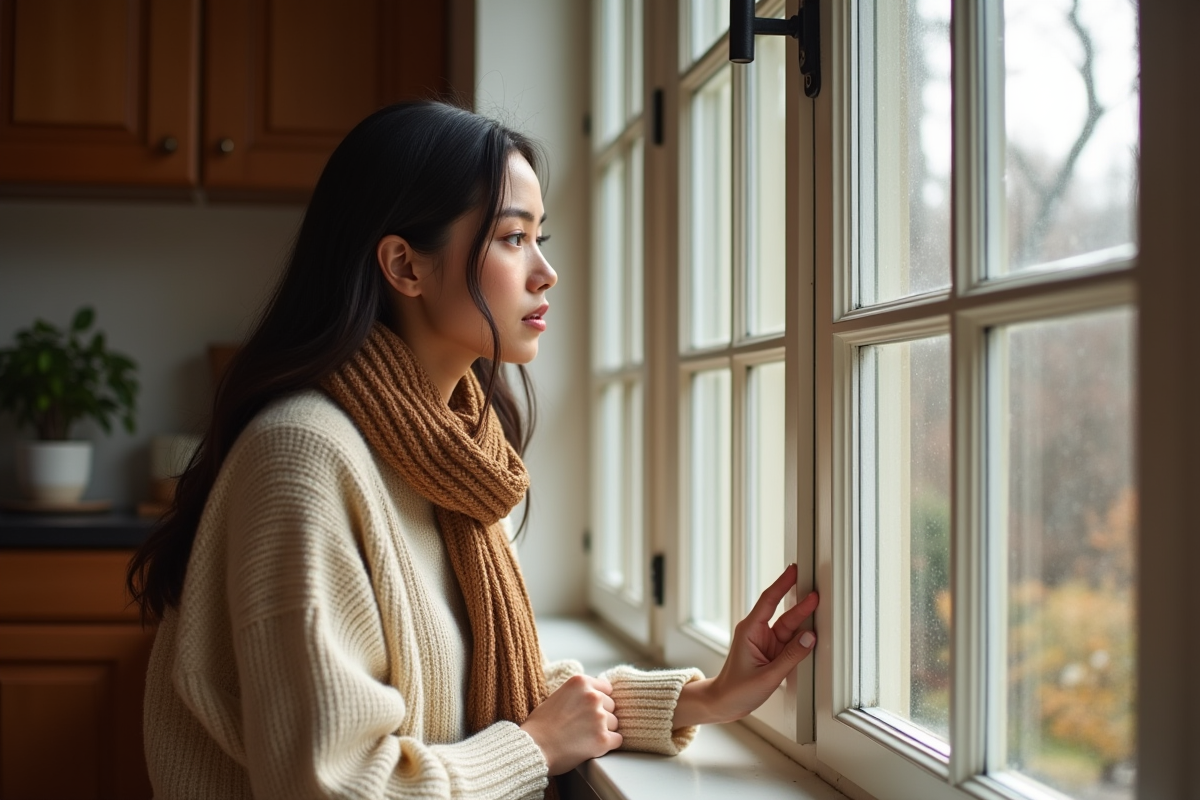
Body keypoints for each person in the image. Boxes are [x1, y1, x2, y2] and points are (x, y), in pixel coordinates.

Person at [127, 100, 818, 800]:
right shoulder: (303, 459)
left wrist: (703, 698)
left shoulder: (447, 449)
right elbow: (334, 785)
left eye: (538, 238)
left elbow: (472, 687)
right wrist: (536, 749)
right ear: (405, 266)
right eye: (514, 239)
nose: (546, 272)